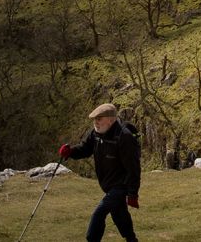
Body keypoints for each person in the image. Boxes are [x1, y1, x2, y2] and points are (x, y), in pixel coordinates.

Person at [59, 104, 142, 242]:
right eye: (94, 119)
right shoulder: (96, 133)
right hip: (108, 184)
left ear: (111, 119)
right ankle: (132, 239)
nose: (95, 122)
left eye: (99, 118)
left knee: (99, 213)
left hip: (122, 184)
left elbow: (134, 168)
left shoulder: (125, 137)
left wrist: (133, 193)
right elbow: (85, 149)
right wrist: (70, 152)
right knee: (119, 213)